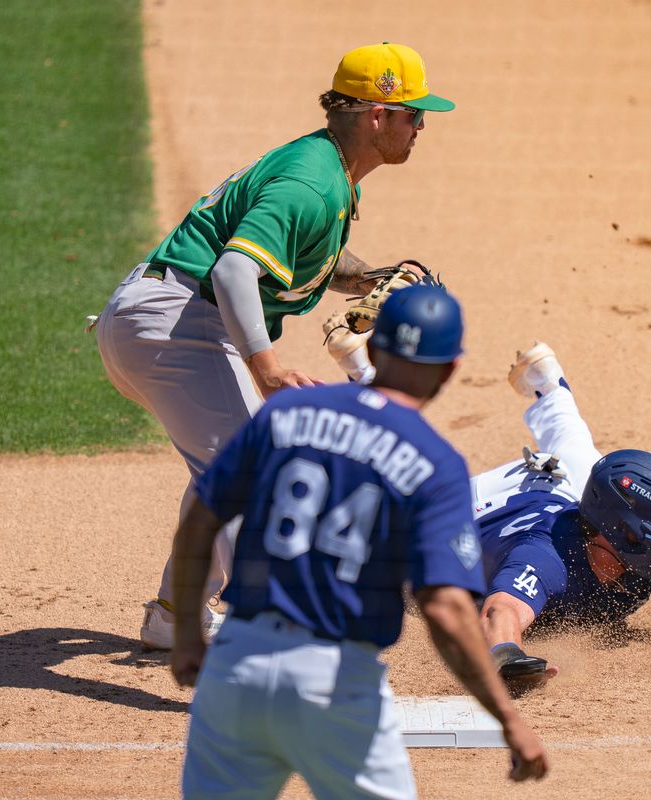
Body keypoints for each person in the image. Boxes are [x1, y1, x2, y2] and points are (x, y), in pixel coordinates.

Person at [93, 42, 456, 649]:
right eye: (412, 114)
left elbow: (307, 255)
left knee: (232, 463)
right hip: (179, 326)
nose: (420, 127)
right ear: (375, 115)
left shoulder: (325, 171)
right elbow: (236, 270)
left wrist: (365, 279)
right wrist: (265, 367)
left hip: (164, 321)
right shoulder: (312, 184)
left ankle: (175, 614)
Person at [169, 285, 549, 799]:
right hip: (332, 682)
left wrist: (190, 632)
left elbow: (201, 517)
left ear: (371, 349)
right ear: (451, 368)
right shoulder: (434, 464)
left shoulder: (285, 416)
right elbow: (444, 607)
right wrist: (506, 717)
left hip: (237, 662)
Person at [471, 342, 651, 690]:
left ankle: (548, 386)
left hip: (567, 492)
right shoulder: (545, 557)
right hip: (485, 504)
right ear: (626, 531)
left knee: (586, 461)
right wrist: (507, 655)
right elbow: (500, 611)